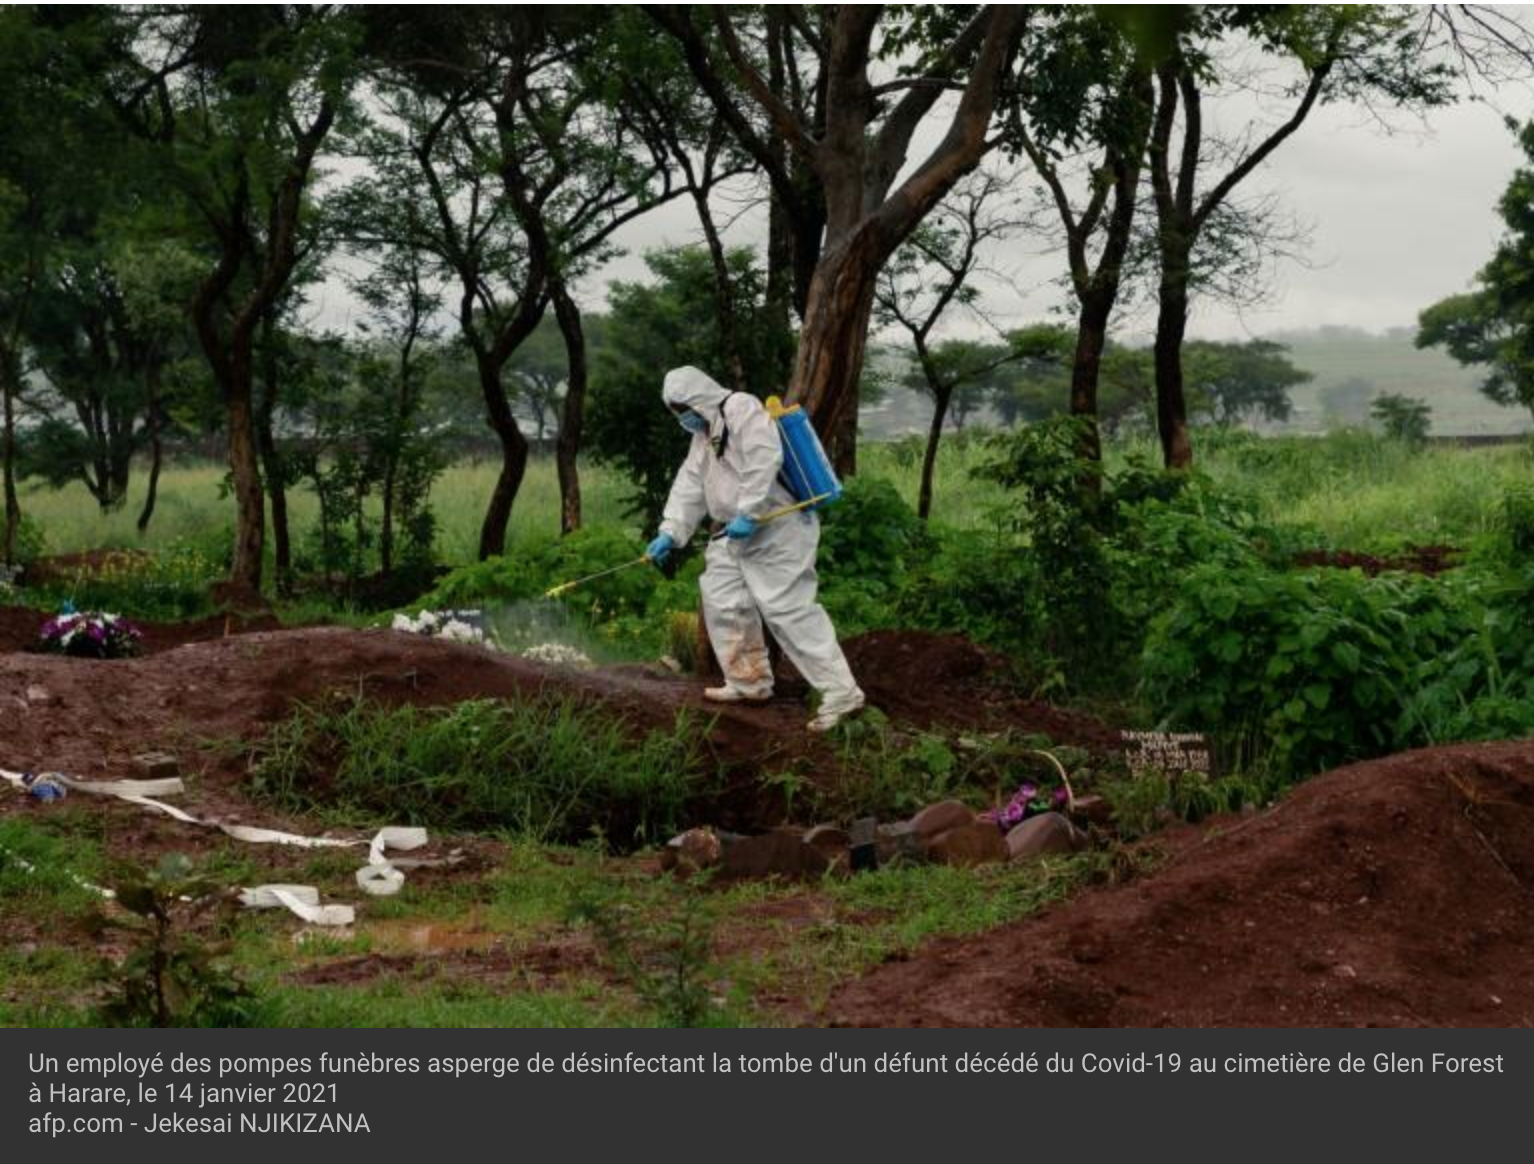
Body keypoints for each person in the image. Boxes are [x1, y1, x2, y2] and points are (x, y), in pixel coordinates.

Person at [646, 366, 866, 732]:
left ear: (698, 399)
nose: (681, 417)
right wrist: (670, 531)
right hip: (735, 536)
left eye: (682, 408)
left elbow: (765, 457)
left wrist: (748, 512)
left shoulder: (741, 409)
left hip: (776, 529)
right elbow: (689, 485)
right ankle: (749, 681)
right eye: (676, 411)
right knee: (722, 597)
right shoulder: (704, 435)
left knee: (788, 609)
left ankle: (842, 693)